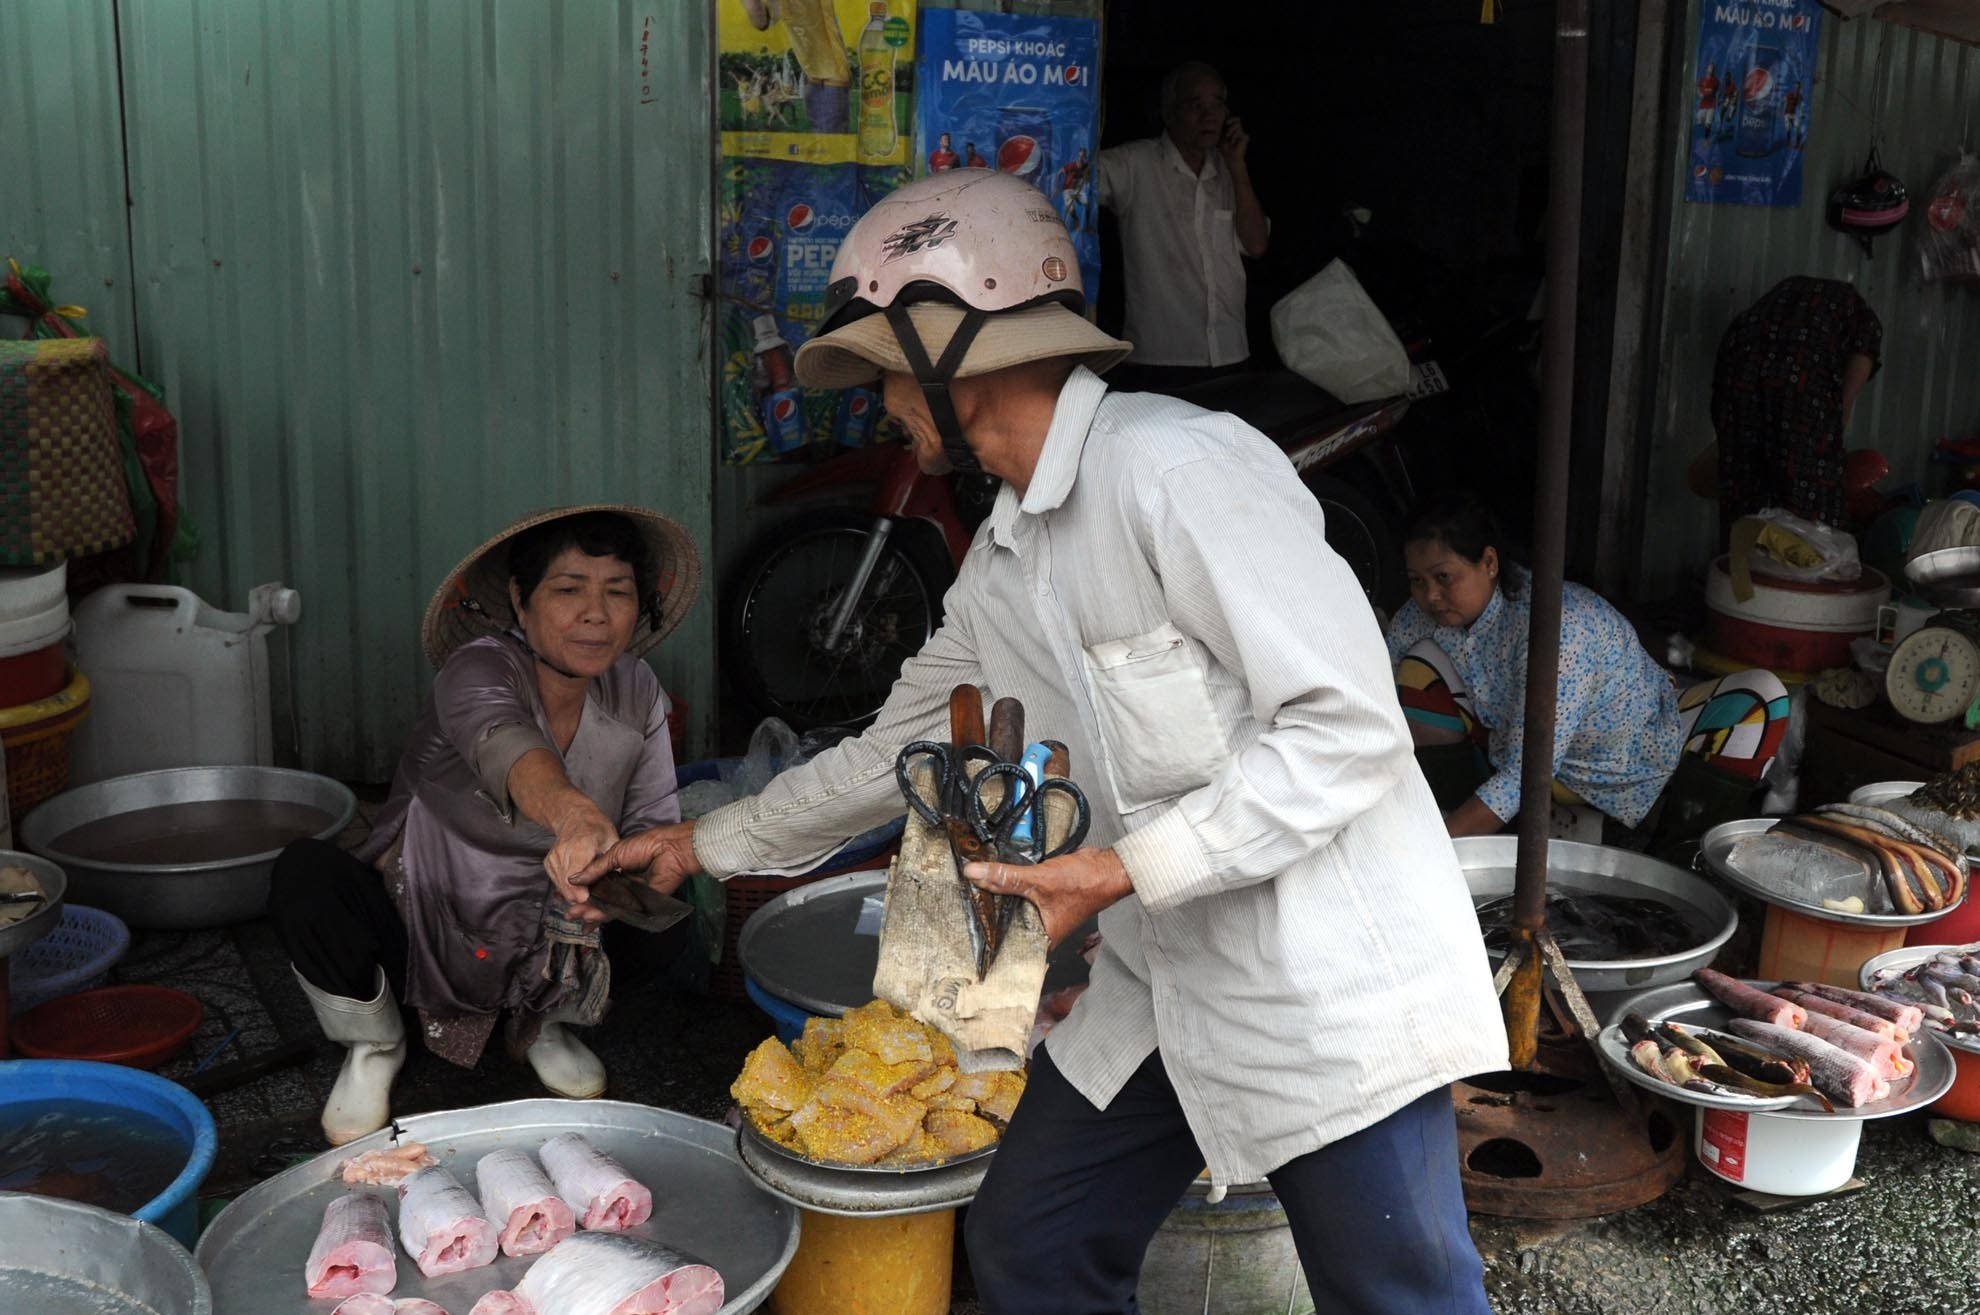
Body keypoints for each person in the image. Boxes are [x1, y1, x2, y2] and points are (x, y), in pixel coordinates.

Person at [588, 170, 1505, 1315]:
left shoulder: (1176, 470)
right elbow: (895, 752)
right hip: (1168, 977)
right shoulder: (1006, 556)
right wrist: (703, 843)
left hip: (1320, 979)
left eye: (884, 367)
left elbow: (1350, 728)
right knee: (1033, 1234)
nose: (880, 403)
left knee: (1399, 1293)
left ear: (949, 341)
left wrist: (1122, 869)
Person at [268, 505, 701, 1146]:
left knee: (673, 903)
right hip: (423, 920)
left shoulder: (636, 688)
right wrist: (576, 814)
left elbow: (652, 820)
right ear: (521, 603)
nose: (596, 613)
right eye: (569, 589)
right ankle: (375, 1045)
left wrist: (628, 886)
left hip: (554, 929)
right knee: (305, 875)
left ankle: (544, 1026)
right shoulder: (477, 670)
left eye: (618, 592)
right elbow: (506, 746)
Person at [1388, 494, 1791, 840]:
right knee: (1417, 669)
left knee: (1763, 697)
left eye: (1443, 577)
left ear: (1490, 563)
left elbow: (1526, 773)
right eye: (1416, 581)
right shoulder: (1426, 614)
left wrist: (1438, 844)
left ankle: (1678, 856)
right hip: (1528, 765)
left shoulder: (1555, 629)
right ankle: (1460, 815)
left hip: (1627, 755)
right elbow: (1383, 666)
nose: (1431, 595)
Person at [1096, 61, 1269, 392]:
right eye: (1195, 105)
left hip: (1230, 352)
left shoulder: (1229, 170)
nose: (1209, 115)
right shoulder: (1136, 164)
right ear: (1169, 113)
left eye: (1217, 103)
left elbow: (1257, 245)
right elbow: (1072, 179)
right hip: (1160, 360)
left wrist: (1238, 166)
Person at [1711, 276, 1882, 538]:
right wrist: (1833, 430)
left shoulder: (1790, 303)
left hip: (1738, 356)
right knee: (1811, 497)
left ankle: (1742, 569)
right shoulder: (1865, 323)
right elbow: (1846, 398)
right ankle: (1810, 569)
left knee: (1743, 483)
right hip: (1798, 370)